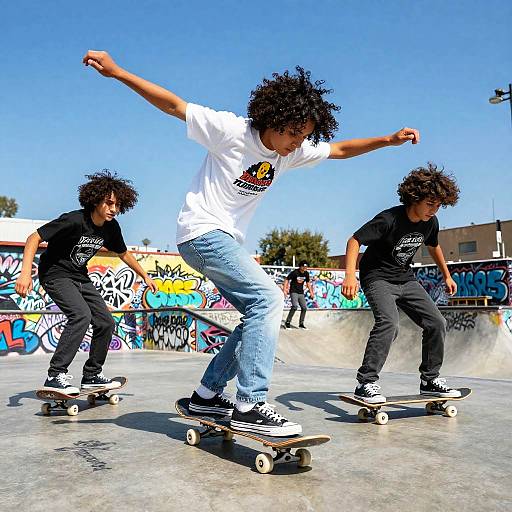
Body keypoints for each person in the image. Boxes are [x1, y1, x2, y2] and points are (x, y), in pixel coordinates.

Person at [83, 50, 419, 436]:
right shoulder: (230, 131)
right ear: (273, 119)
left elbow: (340, 149)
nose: (297, 144)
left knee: (260, 314)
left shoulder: (286, 153)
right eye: (293, 133)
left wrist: (388, 140)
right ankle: (251, 404)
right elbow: (174, 105)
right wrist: (118, 72)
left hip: (222, 239)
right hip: (201, 232)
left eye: (305, 136)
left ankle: (207, 395)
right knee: (270, 299)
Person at [15, 171, 157, 394]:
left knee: (105, 322)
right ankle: (55, 375)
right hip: (55, 274)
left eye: (118, 205)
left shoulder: (111, 227)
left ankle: (92, 375)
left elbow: (123, 253)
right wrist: (25, 273)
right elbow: (34, 238)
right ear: (96, 199)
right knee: (81, 315)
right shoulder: (74, 220)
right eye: (109, 203)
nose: (113, 209)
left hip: (79, 276)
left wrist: (144, 275)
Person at [341, 163, 461, 404]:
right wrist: (350, 275)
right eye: (429, 204)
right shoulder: (389, 219)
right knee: (389, 323)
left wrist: (446, 274)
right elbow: (354, 240)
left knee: (437, 322)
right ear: (414, 197)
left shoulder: (430, 223)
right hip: (376, 278)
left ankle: (430, 380)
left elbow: (434, 245)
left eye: (438, 206)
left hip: (405, 278)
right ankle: (366, 382)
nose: (433, 210)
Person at [283, 260, 314, 329]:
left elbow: (308, 282)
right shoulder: (295, 272)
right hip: (293, 291)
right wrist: (285, 289)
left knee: (304, 307)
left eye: (306, 267)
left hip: (301, 293)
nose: (305, 268)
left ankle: (301, 324)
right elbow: (287, 279)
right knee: (294, 306)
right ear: (300, 266)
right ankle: (287, 322)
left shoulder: (306, 274)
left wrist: (311, 292)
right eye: (303, 267)